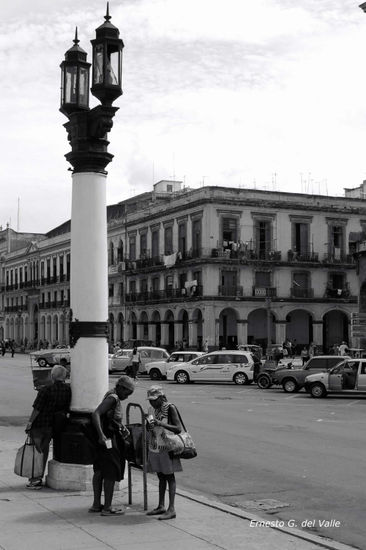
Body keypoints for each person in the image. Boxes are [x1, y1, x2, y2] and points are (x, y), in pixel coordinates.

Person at [90, 375, 135, 516]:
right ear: (121, 388)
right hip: (108, 439)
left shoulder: (110, 395)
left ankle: (97, 504)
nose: (126, 397)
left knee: (100, 470)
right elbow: (96, 413)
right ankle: (107, 507)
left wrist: (121, 426)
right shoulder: (113, 398)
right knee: (110, 471)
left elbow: (110, 417)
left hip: (106, 438)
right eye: (126, 394)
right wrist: (101, 435)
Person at [25, 365, 71, 489]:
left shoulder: (46, 389)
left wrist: (29, 423)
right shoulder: (68, 390)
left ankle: (35, 478)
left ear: (52, 376)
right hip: (53, 425)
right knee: (44, 451)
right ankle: (38, 477)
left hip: (40, 424)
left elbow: (37, 408)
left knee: (37, 451)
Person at [146, 386, 183, 520]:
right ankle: (161, 505)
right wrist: (149, 424)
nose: (152, 403)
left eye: (154, 400)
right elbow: (149, 426)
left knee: (169, 476)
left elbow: (178, 428)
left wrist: (160, 423)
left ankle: (171, 508)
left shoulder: (170, 408)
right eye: (150, 400)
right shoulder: (151, 409)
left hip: (168, 447)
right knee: (161, 476)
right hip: (155, 446)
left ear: (161, 397)